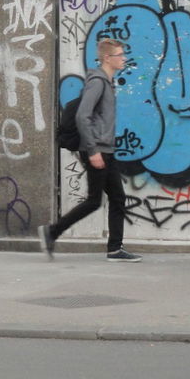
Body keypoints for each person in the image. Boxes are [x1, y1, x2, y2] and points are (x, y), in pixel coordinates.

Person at [39, 38, 141, 262]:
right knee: (95, 200)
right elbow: (82, 115)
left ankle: (115, 249)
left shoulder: (106, 82)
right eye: (119, 55)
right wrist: (93, 150)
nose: (123, 58)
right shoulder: (98, 82)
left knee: (116, 197)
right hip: (96, 150)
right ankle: (53, 232)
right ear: (107, 58)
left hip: (104, 149)